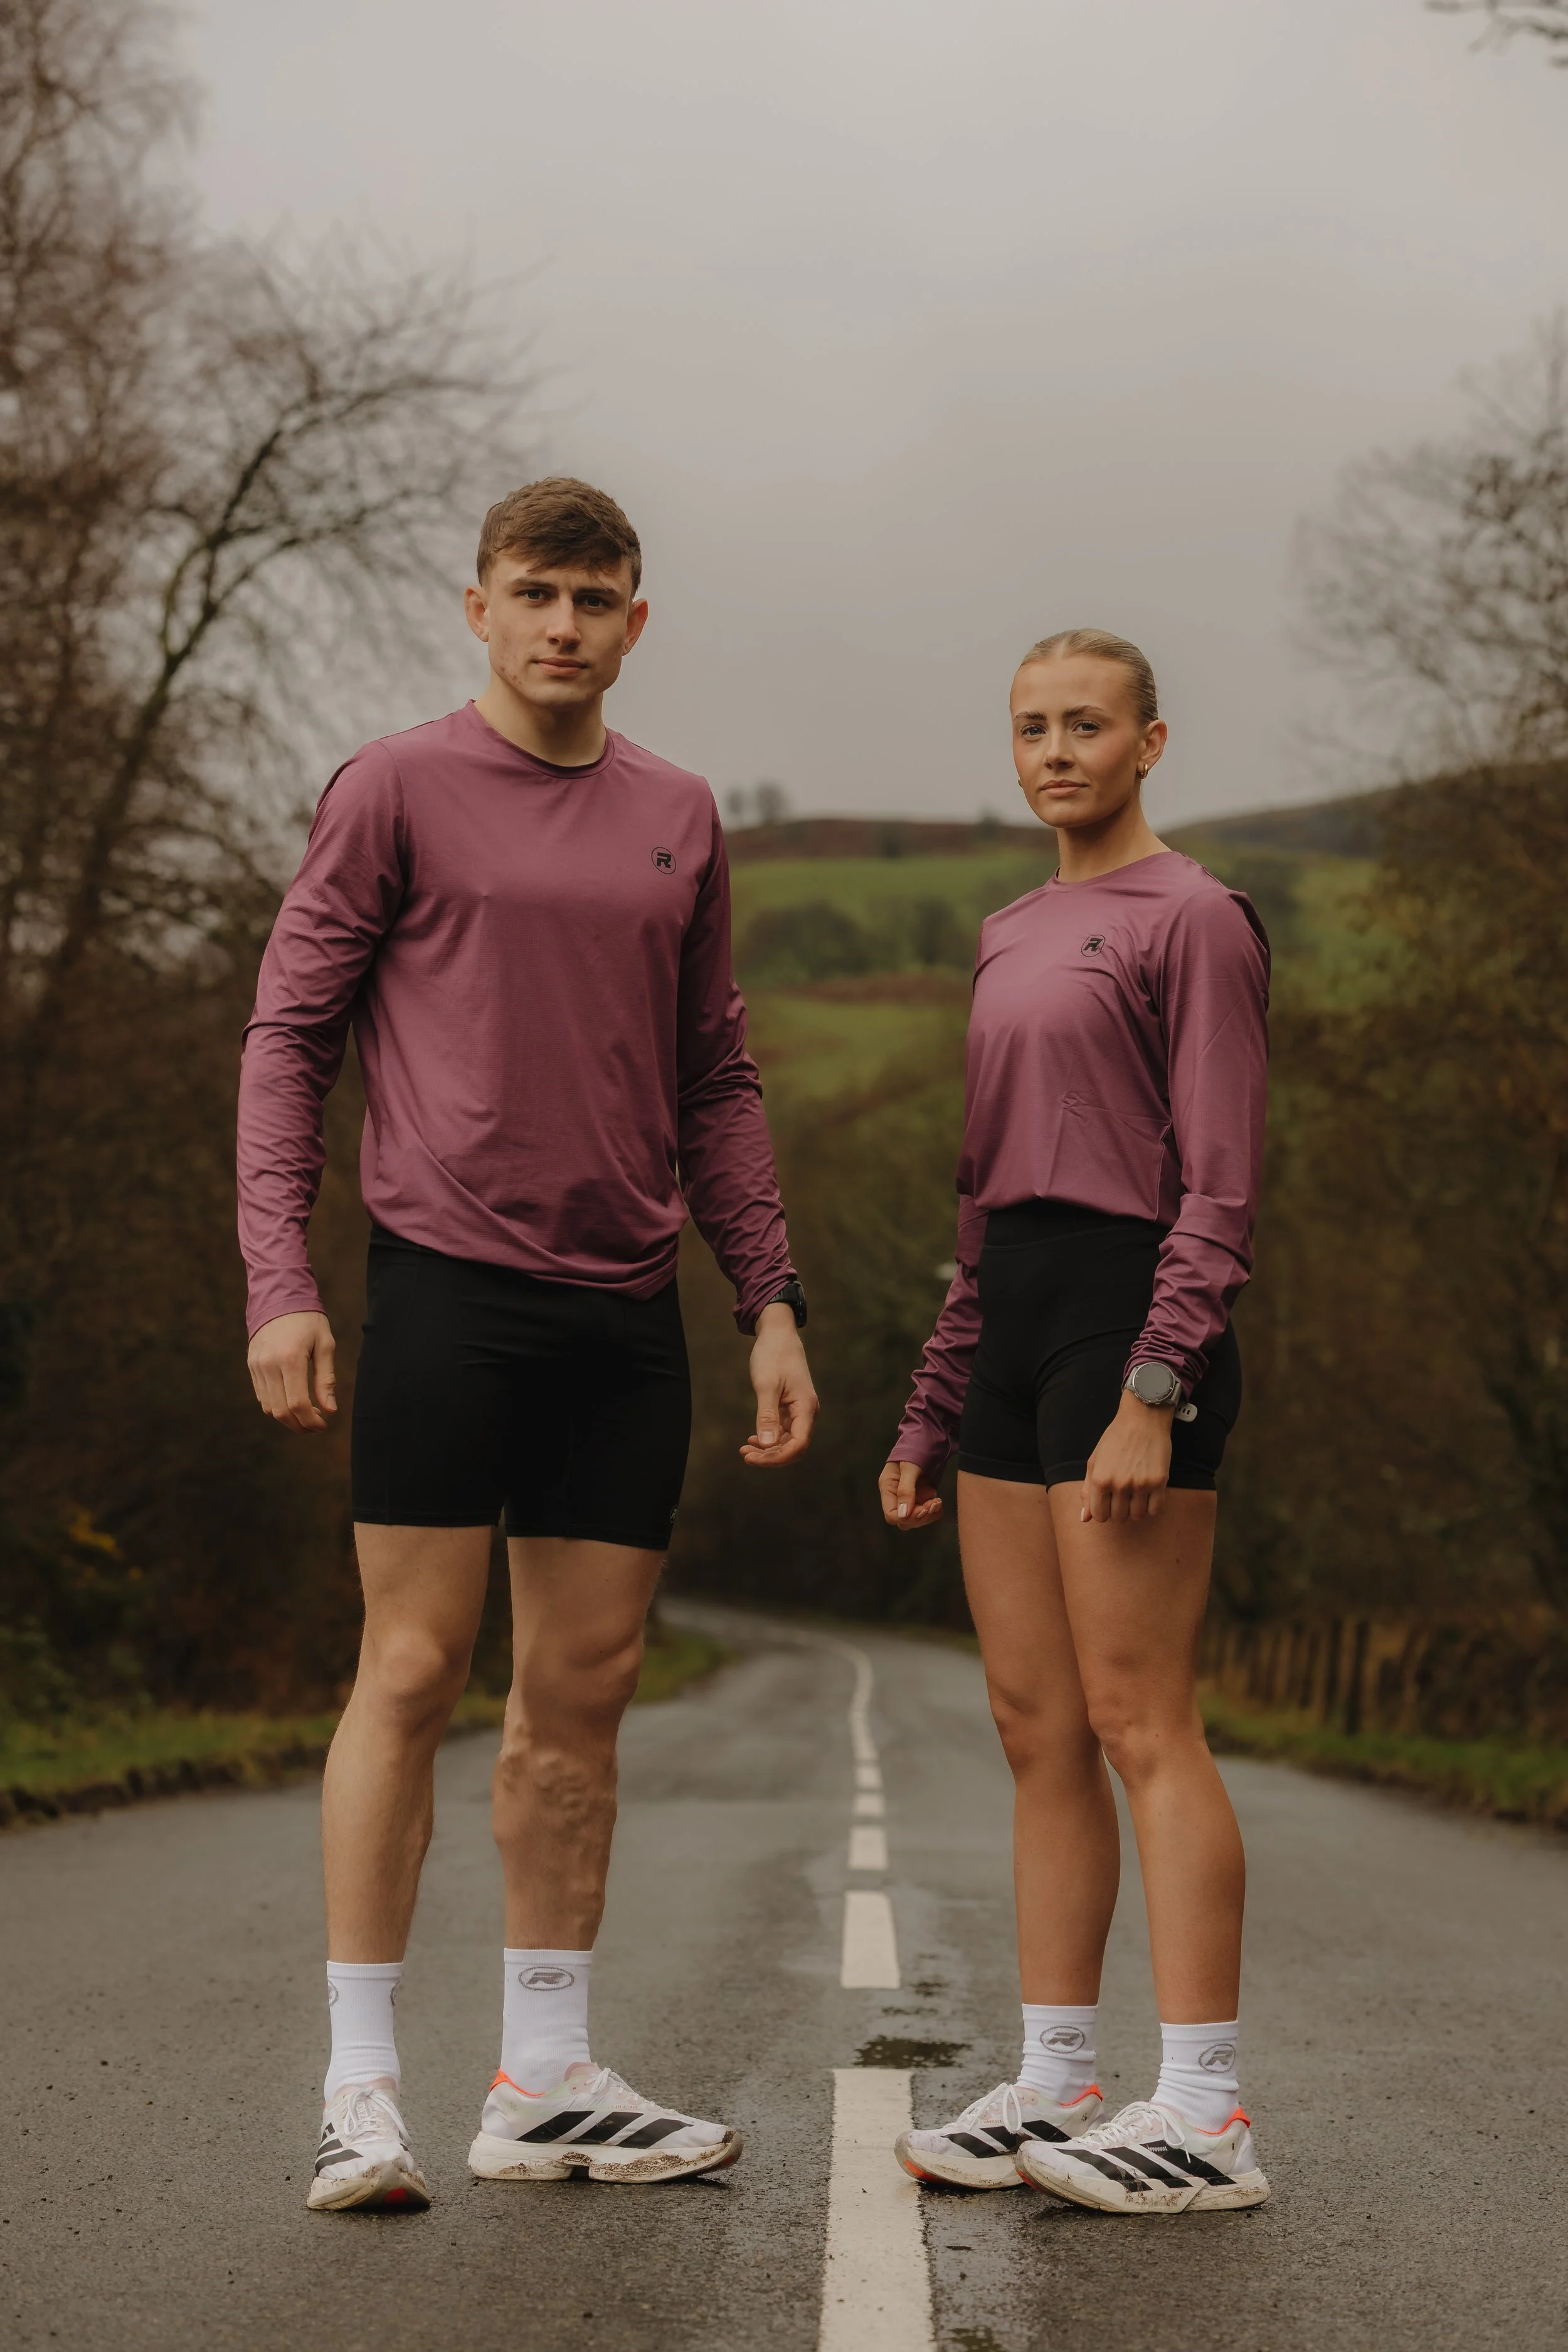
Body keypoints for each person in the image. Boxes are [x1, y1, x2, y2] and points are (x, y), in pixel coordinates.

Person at [237, 477, 817, 2213]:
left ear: (635, 620)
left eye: (594, 596)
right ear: (477, 607)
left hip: (623, 1308)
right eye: (535, 592)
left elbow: (714, 1074)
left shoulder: (678, 814)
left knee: (583, 1689)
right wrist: (279, 1275)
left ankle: (544, 2080)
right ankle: (358, 2093)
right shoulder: (393, 788)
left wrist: (768, 1298)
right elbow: (290, 1036)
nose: (564, 624)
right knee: (413, 1670)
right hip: (444, 1291)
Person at [879, 629, 1271, 2215]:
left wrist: (1153, 1388)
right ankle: (1053, 2083)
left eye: (1087, 725)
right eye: (1032, 726)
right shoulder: (1006, 931)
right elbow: (980, 1201)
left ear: (1148, 743)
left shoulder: (1196, 918)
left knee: (1136, 1719)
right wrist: (929, 1405)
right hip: (1012, 1323)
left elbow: (1220, 1184)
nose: (1055, 751)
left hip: (1131, 1314)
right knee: (1033, 1728)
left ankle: (1207, 2113)